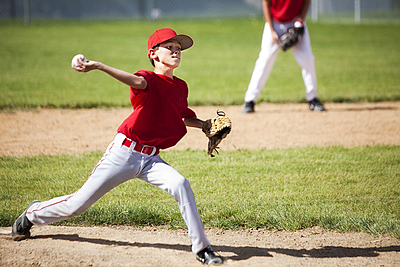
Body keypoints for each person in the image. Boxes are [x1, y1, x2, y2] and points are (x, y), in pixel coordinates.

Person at [11, 28, 223, 265]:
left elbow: (182, 115)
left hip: (152, 159)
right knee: (77, 205)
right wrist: (99, 66)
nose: (176, 51)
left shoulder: (181, 86)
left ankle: (202, 248)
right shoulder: (147, 79)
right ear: (154, 54)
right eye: (170, 47)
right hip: (124, 154)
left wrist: (204, 124)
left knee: (181, 184)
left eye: (178, 49)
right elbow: (136, 81)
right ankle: (33, 213)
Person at [243, 0, 325, 113]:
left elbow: (306, 1)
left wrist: (300, 20)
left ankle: (313, 98)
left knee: (307, 58)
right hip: (274, 23)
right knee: (264, 60)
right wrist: (272, 30)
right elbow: (266, 4)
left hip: (296, 23)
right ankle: (250, 100)